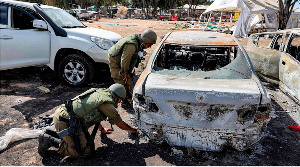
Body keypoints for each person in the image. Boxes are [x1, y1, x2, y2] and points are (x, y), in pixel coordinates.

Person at [38, 84, 139, 158]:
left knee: (89, 146)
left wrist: (102, 129)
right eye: (120, 100)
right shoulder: (107, 102)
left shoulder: (101, 92)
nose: (119, 103)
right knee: (84, 152)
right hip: (66, 121)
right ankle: (49, 140)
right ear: (118, 98)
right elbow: (120, 124)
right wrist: (133, 129)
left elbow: (93, 114)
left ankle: (56, 133)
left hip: (66, 117)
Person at [108, 29, 157, 100]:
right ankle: (122, 99)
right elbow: (125, 60)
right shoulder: (131, 45)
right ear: (145, 41)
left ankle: (127, 94)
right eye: (149, 45)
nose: (150, 47)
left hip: (123, 58)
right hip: (115, 59)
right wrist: (125, 72)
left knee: (127, 78)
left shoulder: (140, 39)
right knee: (121, 79)